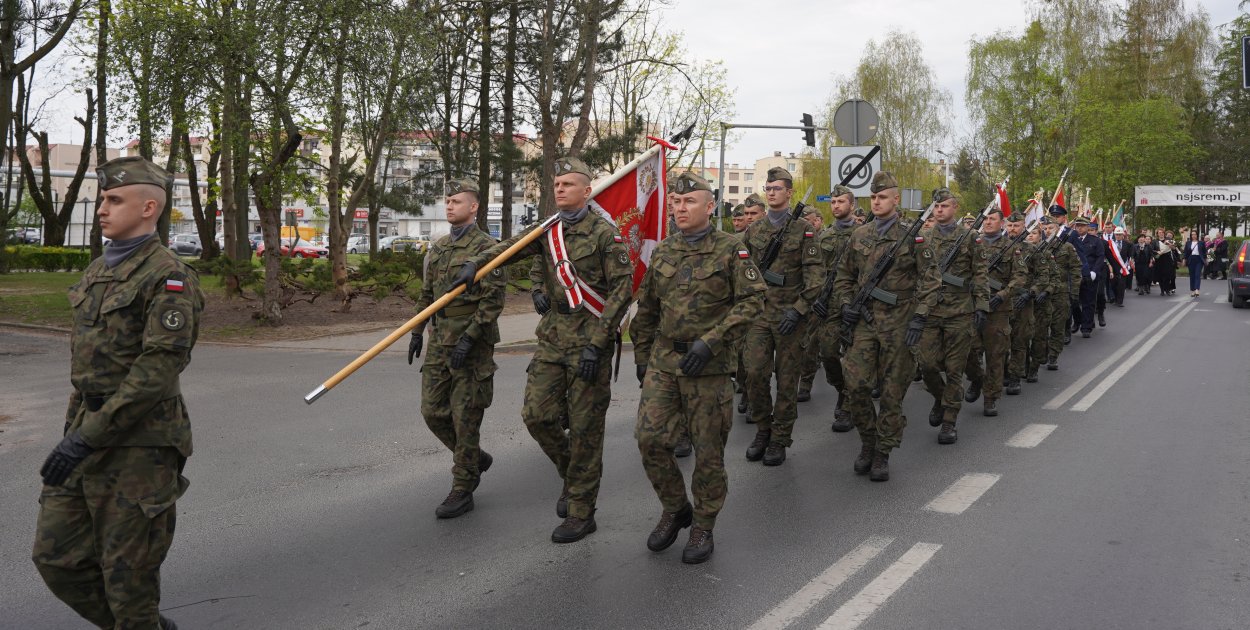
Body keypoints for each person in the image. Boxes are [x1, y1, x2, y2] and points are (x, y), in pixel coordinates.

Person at [34, 156, 203, 630]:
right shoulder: (99, 270)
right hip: (85, 433)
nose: (102, 209)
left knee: (128, 583)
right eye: (102, 199)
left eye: (114, 200)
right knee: (56, 559)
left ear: (149, 208)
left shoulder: (169, 277)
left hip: (139, 446)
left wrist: (86, 437)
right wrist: (77, 432)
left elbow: (158, 370)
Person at [450, 156, 633, 543]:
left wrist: (599, 342)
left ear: (587, 190)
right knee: (537, 416)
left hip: (590, 340)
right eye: (557, 184)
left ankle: (581, 510)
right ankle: (572, 474)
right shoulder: (549, 230)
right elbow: (510, 248)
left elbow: (622, 291)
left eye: (568, 184)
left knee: (584, 429)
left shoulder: (605, 234)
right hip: (552, 337)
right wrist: (475, 264)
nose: (560, 189)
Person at [632, 172, 765, 564]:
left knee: (708, 452)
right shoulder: (664, 251)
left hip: (709, 367)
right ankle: (676, 508)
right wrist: (641, 356)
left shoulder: (731, 249)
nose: (680, 208)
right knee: (650, 440)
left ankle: (704, 524)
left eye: (689, 201)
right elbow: (647, 309)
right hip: (664, 362)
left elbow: (753, 302)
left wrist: (712, 341)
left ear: (710, 207)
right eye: (676, 201)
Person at [833, 171, 941, 480]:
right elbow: (843, 276)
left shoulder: (913, 236)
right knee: (856, 385)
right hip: (865, 321)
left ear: (895, 199)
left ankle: (883, 451)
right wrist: (846, 304)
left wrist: (920, 316)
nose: (876, 202)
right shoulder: (859, 235)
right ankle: (868, 441)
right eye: (873, 197)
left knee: (892, 393)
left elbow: (931, 280)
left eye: (882, 197)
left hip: (899, 322)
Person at [408, 179, 505, 519]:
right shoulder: (439, 247)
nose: (449, 206)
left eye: (457, 201)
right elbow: (427, 294)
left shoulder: (488, 248)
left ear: (474, 207)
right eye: (447, 201)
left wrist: (469, 338)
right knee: (432, 411)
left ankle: (463, 486)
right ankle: (474, 457)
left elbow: (493, 302)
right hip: (439, 338)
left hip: (472, 343)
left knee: (465, 418)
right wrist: (417, 331)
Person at [740, 167, 823, 466]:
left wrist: (798, 310)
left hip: (790, 316)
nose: (771, 192)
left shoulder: (804, 230)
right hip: (760, 315)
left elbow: (816, 278)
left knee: (787, 381)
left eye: (777, 188)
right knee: (754, 374)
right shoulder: (754, 231)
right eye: (768, 187)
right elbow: (742, 271)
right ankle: (764, 428)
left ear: (789, 192)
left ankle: (780, 438)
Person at [915, 188, 988, 444]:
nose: (939, 210)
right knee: (927, 365)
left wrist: (981, 305)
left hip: (959, 311)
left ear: (954, 208)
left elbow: (980, 273)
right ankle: (940, 397)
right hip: (930, 310)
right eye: (936, 206)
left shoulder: (970, 237)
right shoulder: (923, 237)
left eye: (944, 206)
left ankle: (949, 421)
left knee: (955, 370)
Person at [811, 185, 859, 433]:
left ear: (852, 204)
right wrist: (816, 299)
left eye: (841, 201)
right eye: (833, 202)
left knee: (854, 358)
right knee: (828, 353)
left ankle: (848, 405)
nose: (836, 206)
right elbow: (815, 272)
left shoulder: (864, 234)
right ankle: (842, 389)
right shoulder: (824, 237)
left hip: (856, 305)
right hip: (830, 306)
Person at [971, 208, 1027, 415]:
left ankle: (990, 398)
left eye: (992, 219)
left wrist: (1003, 295)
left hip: (998, 309)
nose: (988, 222)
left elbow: (1020, 276)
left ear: (1001, 223)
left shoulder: (1011, 247)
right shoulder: (972, 243)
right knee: (969, 352)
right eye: (985, 219)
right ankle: (976, 379)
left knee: (995, 356)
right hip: (971, 306)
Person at [735, 193, 766, 420]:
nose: (749, 217)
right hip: (744, 303)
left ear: (763, 214)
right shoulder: (737, 240)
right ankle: (745, 392)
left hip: (769, 305)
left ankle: (756, 401)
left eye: (753, 213)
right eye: (746, 213)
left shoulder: (775, 234)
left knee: (756, 362)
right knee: (741, 355)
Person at [1005, 213, 1041, 396]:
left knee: (1019, 341)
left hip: (1022, 301)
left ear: (1023, 227)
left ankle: (1015, 377)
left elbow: (1043, 276)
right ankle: (1003, 372)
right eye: (1010, 225)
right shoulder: (999, 247)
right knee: (1000, 342)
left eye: (1016, 225)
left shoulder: (1032, 250)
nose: (1012, 229)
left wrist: (1031, 292)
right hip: (1001, 301)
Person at [1043, 216, 1082, 370]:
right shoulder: (1038, 247)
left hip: (1061, 291)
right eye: (1045, 229)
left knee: (1057, 326)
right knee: (1041, 326)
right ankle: (1042, 352)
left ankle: (1053, 356)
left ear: (1058, 229)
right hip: (1042, 292)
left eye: (1050, 228)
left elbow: (1075, 270)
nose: (1047, 231)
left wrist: (1075, 291)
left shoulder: (1067, 247)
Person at [797, 205, 826, 402]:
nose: (809, 223)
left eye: (812, 220)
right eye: (805, 220)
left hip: (822, 296)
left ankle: (805, 383)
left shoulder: (824, 238)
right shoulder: (793, 237)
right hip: (798, 296)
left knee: (813, 344)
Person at [1026, 221, 1059, 381]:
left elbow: (1055, 278)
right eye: (1028, 233)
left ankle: (1034, 367)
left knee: (1039, 337)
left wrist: (1046, 292)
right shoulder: (1019, 252)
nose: (1030, 236)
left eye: (1034, 233)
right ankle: (1023, 366)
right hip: (1023, 301)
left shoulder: (1046, 254)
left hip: (1041, 303)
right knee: (1021, 338)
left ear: (1040, 236)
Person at [1073, 217, 1104, 337]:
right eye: (1077, 226)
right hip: (1074, 275)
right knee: (1074, 302)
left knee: (1088, 302)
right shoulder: (1071, 239)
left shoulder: (1095, 241)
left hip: (1089, 275)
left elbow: (1100, 257)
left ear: (1087, 227)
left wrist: (1094, 272)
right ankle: (1077, 321)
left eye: (1082, 226)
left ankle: (1086, 327)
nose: (1079, 228)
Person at [1183, 229, 1206, 296]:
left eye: (1194, 234)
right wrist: (1184, 259)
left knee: (1197, 274)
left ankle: (1197, 289)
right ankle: (1192, 290)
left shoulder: (1201, 242)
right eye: (1192, 234)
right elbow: (1185, 252)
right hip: (1191, 259)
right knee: (1192, 275)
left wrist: (1206, 259)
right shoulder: (1188, 243)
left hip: (1199, 259)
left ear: (1197, 235)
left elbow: (1204, 252)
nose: (1193, 236)